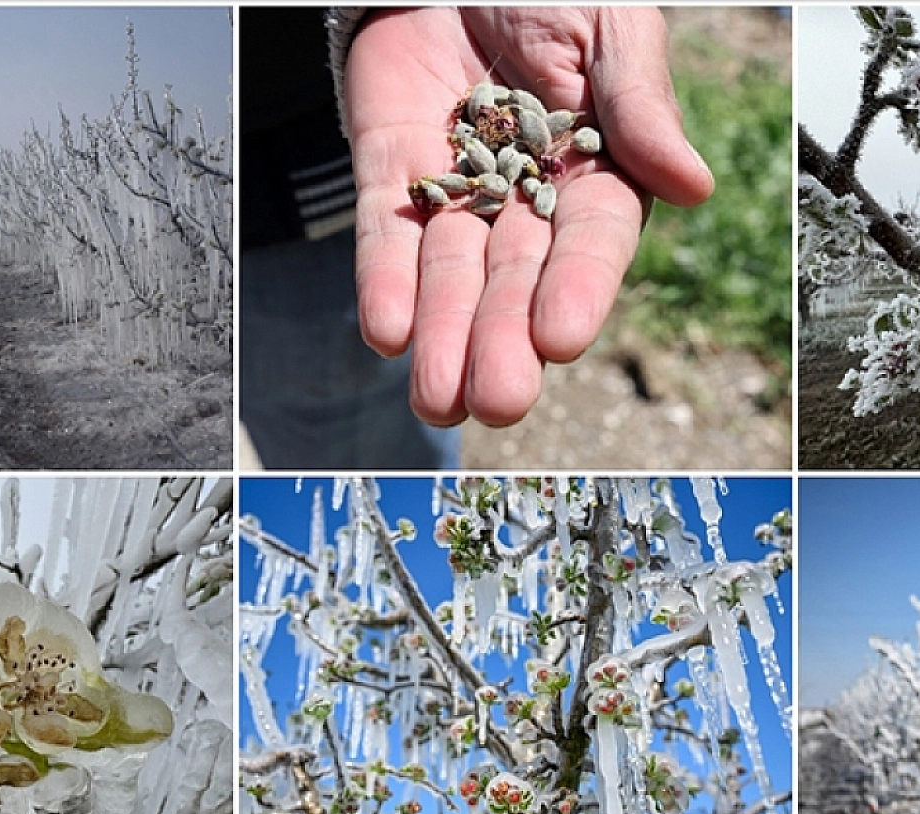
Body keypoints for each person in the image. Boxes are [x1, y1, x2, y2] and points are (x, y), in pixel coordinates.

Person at [241, 7, 713, 469]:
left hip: (322, 166)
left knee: (359, 423)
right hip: (264, 186)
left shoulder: (505, 146)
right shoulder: (483, 160)